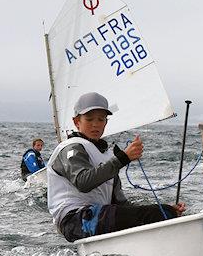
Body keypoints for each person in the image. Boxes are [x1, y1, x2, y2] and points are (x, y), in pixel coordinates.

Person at [47, 92, 186, 242]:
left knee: (160, 212)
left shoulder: (106, 156)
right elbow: (83, 182)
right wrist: (123, 158)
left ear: (106, 123)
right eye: (89, 119)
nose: (95, 124)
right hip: (74, 221)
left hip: (98, 218)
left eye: (101, 119)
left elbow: (121, 203)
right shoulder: (71, 148)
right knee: (153, 214)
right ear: (76, 122)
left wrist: (164, 210)